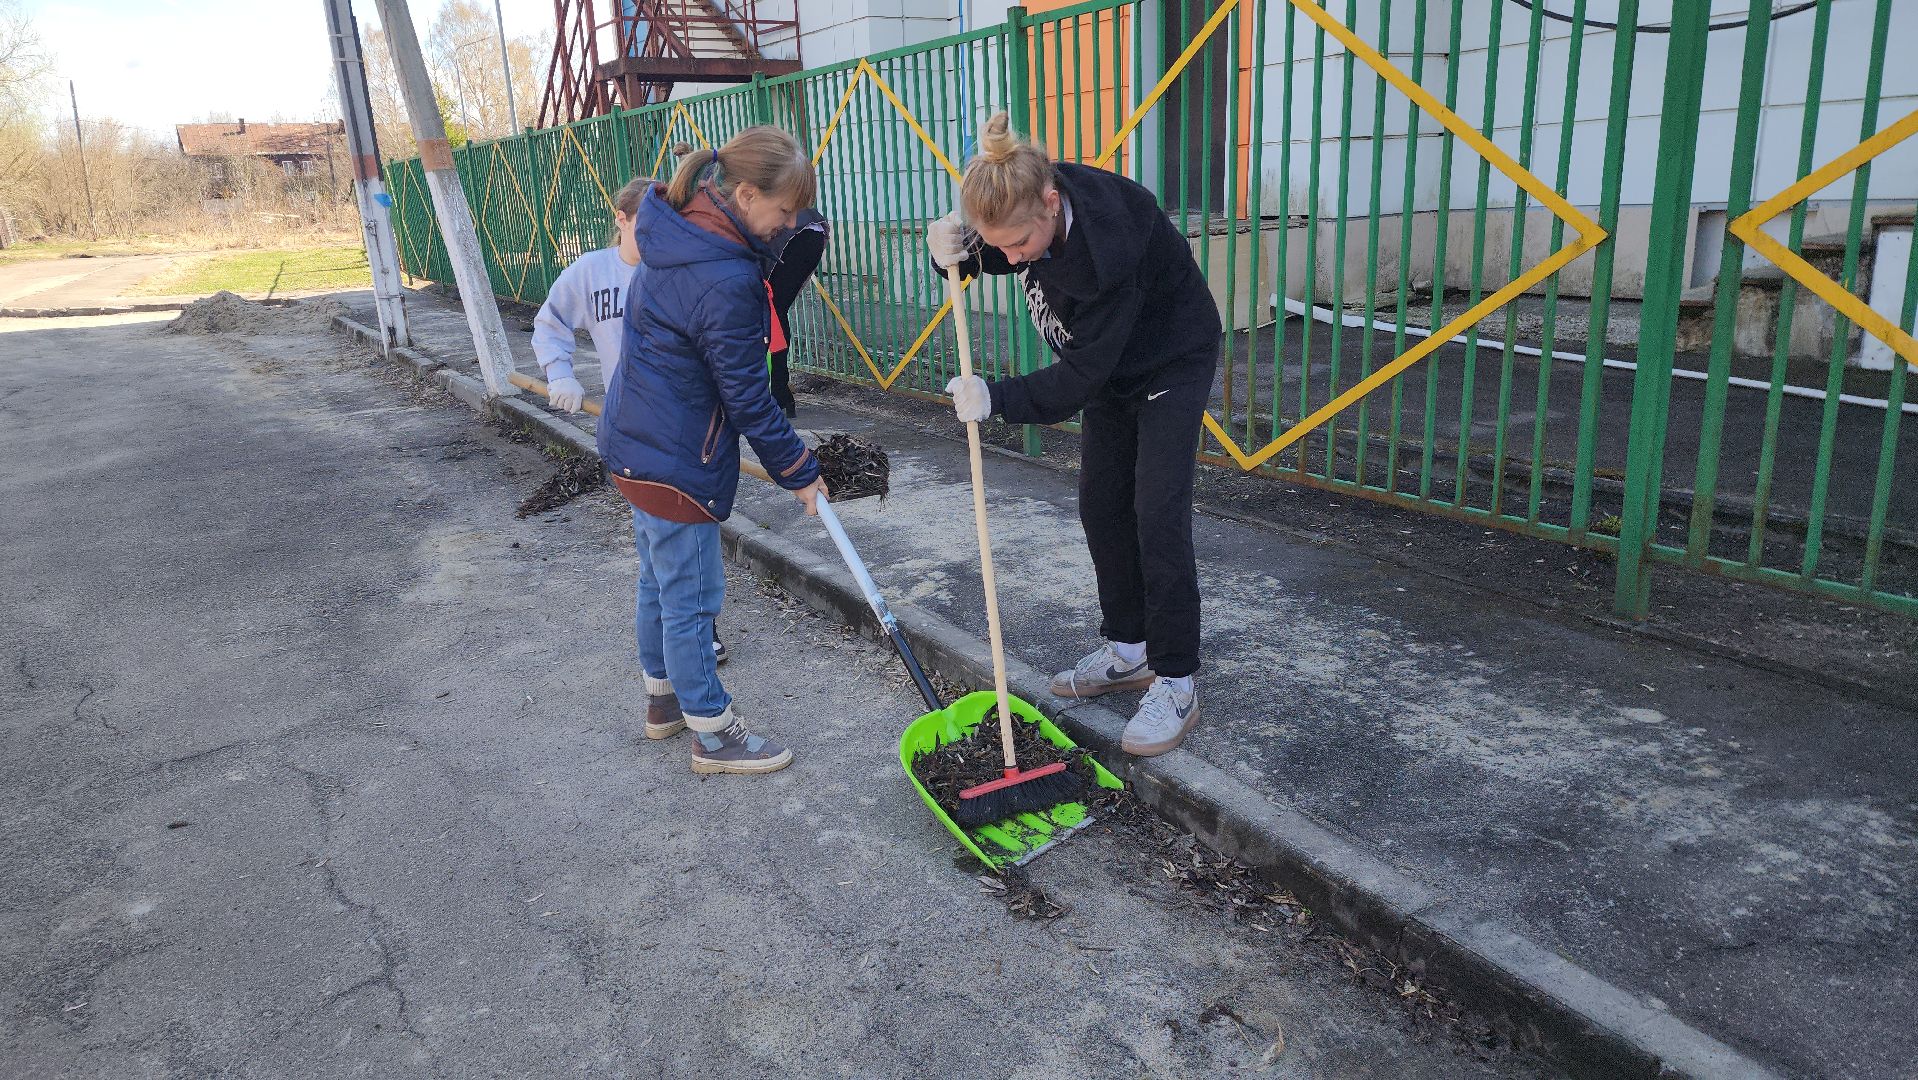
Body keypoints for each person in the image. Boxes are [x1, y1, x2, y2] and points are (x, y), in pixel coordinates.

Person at [927, 112, 1219, 758]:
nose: (1010, 258)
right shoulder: (1031, 207)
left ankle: (1175, 680)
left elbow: (1081, 376)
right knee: (1100, 503)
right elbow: (997, 248)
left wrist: (996, 398)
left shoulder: (1112, 244)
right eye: (996, 245)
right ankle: (1130, 650)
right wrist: (958, 255)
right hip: (1115, 368)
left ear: (1052, 205)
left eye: (1016, 246)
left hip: (1170, 361)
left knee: (1157, 513)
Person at [599, 127, 826, 775]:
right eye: (783, 213)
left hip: (633, 443)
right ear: (747, 194)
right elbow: (751, 399)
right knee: (692, 596)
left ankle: (664, 703)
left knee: (659, 581)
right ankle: (713, 731)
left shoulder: (675, 227)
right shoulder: (723, 275)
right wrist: (800, 472)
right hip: (675, 462)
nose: (787, 227)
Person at [530, 174, 731, 665]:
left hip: (684, 433)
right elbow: (550, 322)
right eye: (647, 224)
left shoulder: (680, 273)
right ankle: (688, 654)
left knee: (675, 549)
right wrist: (561, 374)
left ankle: (678, 654)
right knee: (668, 550)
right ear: (620, 219)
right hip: (631, 432)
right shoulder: (591, 272)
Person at [766, 209, 829, 417]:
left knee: (771, 310)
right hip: (809, 229)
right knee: (775, 310)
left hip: (790, 233)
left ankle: (775, 392)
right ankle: (779, 392)